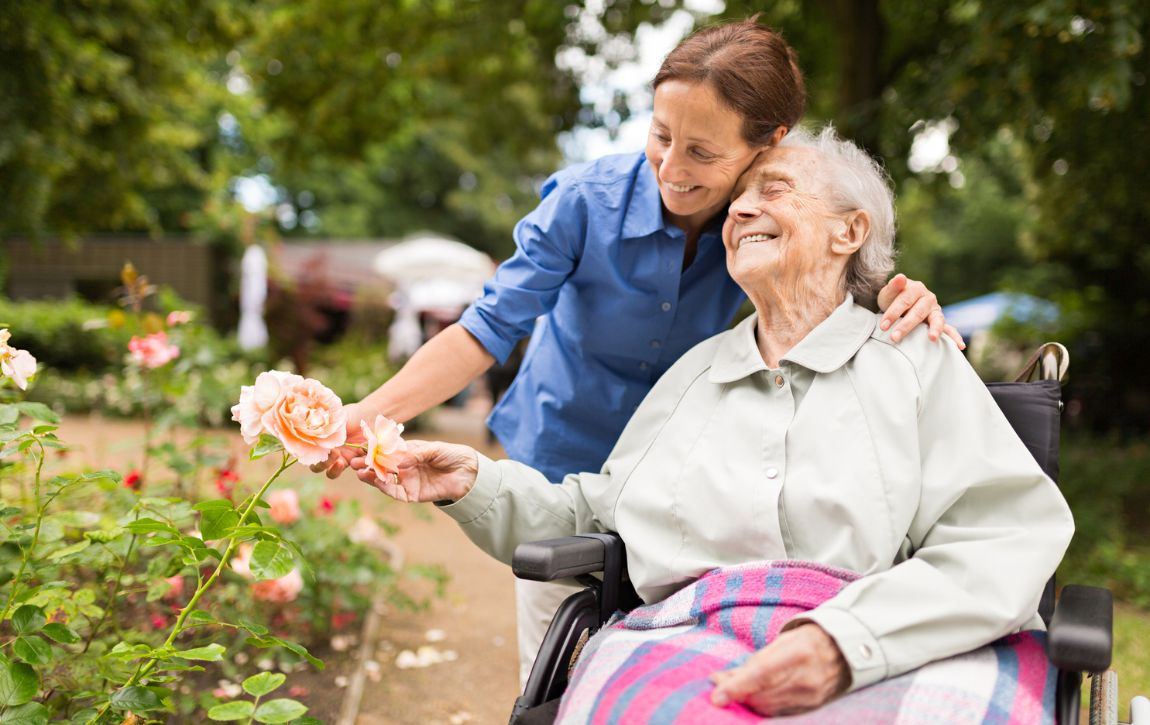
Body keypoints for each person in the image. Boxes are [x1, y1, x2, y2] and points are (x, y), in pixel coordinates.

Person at [350, 127, 1074, 721]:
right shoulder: (694, 374)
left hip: (895, 641)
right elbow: (597, 517)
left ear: (849, 231)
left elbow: (1005, 535)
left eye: (774, 190)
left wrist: (846, 641)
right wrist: (473, 481)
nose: (740, 210)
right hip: (694, 641)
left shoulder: (915, 359)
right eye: (737, 198)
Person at [317, 18, 962, 684]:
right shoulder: (583, 203)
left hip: (678, 481)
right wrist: (368, 413)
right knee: (555, 665)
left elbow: (836, 272)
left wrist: (903, 293)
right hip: (560, 456)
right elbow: (487, 327)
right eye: (660, 136)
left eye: (702, 152)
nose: (672, 169)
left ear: (769, 144)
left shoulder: (758, 221)